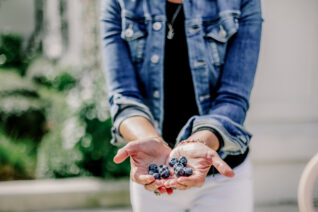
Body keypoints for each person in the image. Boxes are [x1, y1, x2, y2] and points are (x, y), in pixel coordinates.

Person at [101, 0, 263, 211]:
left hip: (224, 181)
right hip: (154, 174)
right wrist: (148, 140)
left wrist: (201, 142)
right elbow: (124, 97)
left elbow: (233, 97)